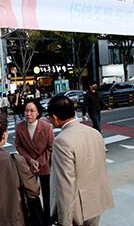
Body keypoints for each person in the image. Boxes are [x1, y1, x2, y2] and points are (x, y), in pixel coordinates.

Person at [48, 96, 114, 226]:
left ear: (55, 117)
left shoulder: (62, 140)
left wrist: (65, 220)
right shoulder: (95, 132)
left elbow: (66, 184)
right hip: (96, 200)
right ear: (74, 113)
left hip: (78, 209)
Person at [15, 99, 54, 225]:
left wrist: (38, 161)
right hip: (28, 167)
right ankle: (36, 220)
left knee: (47, 195)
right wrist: (30, 160)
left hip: (44, 165)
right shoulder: (19, 126)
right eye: (26, 110)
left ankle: (47, 219)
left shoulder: (46, 127)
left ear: (38, 113)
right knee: (31, 196)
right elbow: (18, 146)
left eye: (32, 111)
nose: (28, 114)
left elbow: (50, 147)